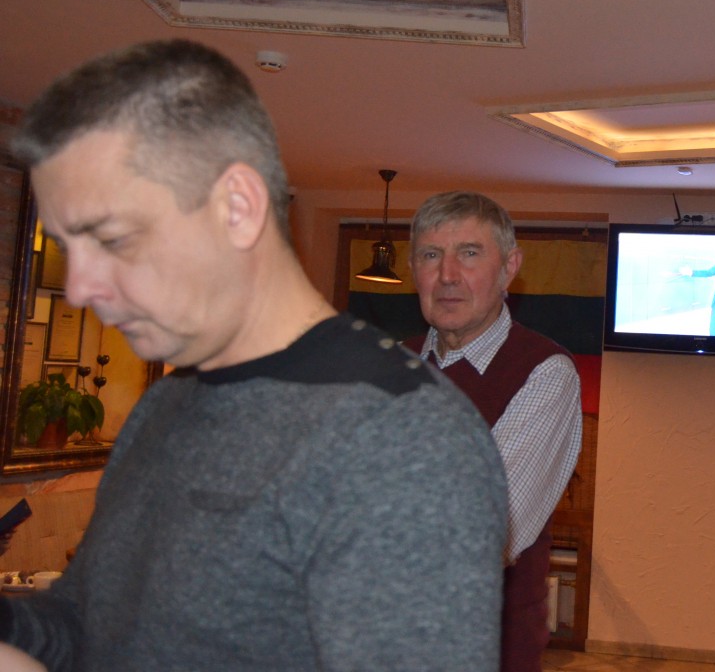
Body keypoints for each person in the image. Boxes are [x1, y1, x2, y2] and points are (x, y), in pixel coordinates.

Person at [1, 40, 508, 672]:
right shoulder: (165, 405)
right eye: (67, 248)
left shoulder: (400, 440)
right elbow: (86, 626)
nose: (79, 288)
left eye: (110, 237)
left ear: (237, 209)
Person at [402, 191, 581, 672]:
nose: (447, 275)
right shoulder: (388, 366)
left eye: (469, 253)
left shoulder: (544, 372)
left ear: (509, 268)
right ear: (413, 270)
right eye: (431, 255)